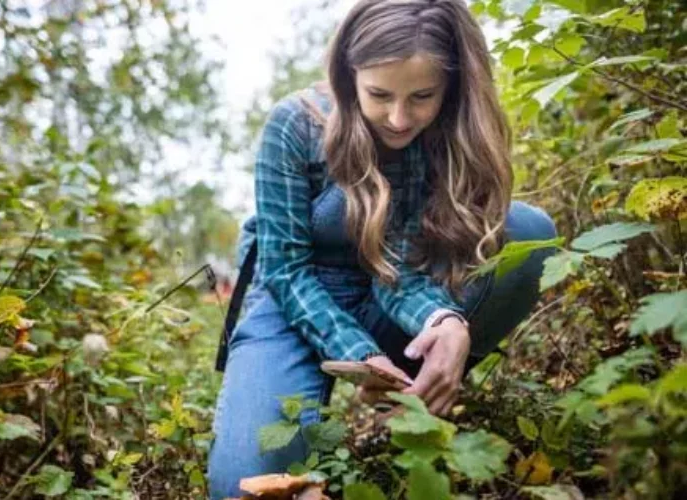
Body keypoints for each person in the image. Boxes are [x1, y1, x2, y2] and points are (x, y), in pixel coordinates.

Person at [207, 0, 557, 497]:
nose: (397, 118)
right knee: (241, 486)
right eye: (378, 94)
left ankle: (413, 402)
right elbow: (285, 270)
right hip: (290, 297)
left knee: (528, 230)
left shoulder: (443, 138)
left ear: (450, 87)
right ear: (348, 75)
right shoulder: (295, 125)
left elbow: (400, 269)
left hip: (389, 287)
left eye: (421, 96)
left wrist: (444, 321)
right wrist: (358, 353)